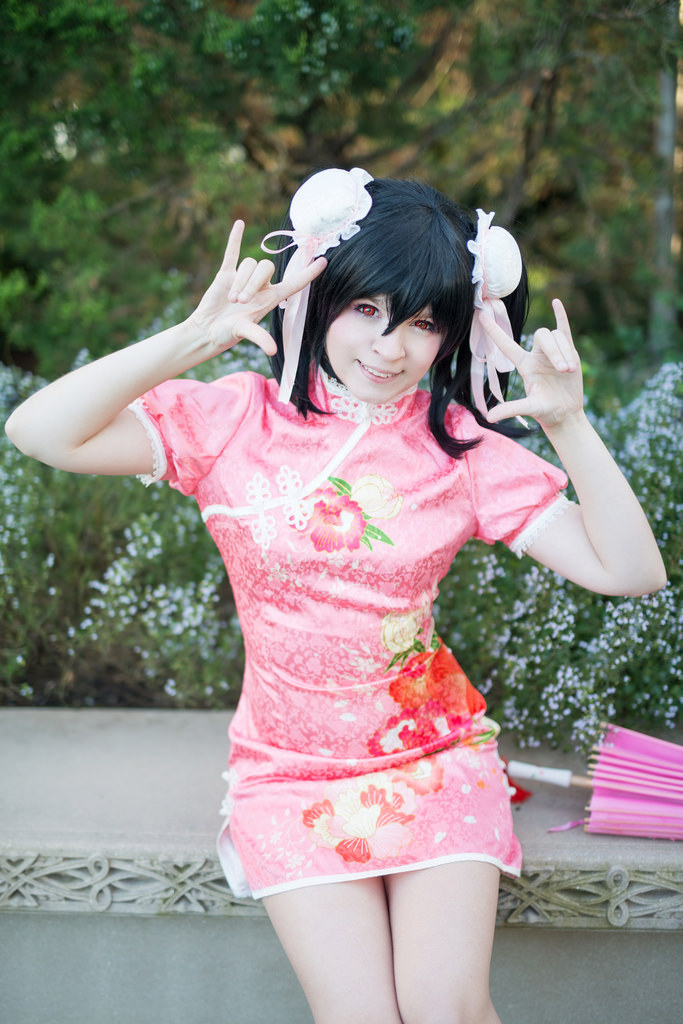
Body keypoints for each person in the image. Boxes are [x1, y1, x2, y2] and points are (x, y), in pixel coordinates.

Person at [5, 169, 666, 1024]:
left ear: (454, 333)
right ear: (317, 293)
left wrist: (567, 423)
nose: (389, 347)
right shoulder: (235, 421)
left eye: (422, 323)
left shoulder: (457, 449)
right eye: (365, 308)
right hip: (287, 772)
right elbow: (38, 431)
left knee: (445, 1009)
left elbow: (629, 571)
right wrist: (192, 339)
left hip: (432, 757)